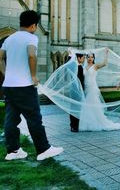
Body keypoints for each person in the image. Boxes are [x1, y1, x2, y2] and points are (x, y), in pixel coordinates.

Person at [0, 10, 63, 161]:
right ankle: (43, 149)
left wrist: (5, 74)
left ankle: (13, 151)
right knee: (34, 118)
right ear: (34, 25)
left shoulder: (10, 39)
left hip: (9, 85)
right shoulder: (31, 37)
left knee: (11, 118)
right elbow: (31, 54)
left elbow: (0, 57)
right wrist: (34, 76)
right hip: (24, 86)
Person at [79, 48, 120, 131]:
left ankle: (96, 123)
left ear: (94, 58)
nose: (90, 59)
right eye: (88, 57)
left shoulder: (95, 66)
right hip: (86, 88)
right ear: (86, 58)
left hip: (93, 88)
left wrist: (106, 54)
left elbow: (105, 63)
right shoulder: (83, 67)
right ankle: (88, 123)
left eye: (92, 57)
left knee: (93, 104)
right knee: (87, 106)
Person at [69, 52, 85, 132]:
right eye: (83, 58)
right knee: (77, 108)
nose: (84, 59)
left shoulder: (73, 66)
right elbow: (81, 81)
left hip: (73, 90)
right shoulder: (79, 67)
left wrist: (69, 55)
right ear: (78, 58)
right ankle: (75, 126)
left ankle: (73, 125)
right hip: (78, 91)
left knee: (73, 108)